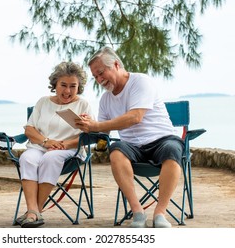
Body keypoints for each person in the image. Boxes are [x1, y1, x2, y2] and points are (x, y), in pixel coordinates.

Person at [76, 47, 184, 228]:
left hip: (162, 140)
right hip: (132, 147)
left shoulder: (141, 82)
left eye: (101, 73)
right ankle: (138, 212)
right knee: (116, 151)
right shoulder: (105, 100)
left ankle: (160, 213)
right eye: (95, 77)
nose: (99, 80)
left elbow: (135, 117)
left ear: (116, 65)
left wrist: (97, 126)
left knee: (172, 150)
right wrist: (87, 127)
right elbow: (103, 134)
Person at [17, 61, 93, 228]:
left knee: (50, 158)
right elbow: (29, 130)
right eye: (63, 85)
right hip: (40, 146)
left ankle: (35, 212)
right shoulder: (43, 102)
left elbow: (88, 135)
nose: (67, 91)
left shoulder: (83, 105)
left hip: (71, 150)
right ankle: (33, 210)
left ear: (79, 87)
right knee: (27, 158)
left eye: (73, 86)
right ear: (55, 84)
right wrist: (47, 141)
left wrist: (64, 145)